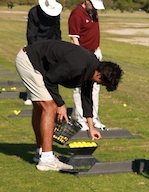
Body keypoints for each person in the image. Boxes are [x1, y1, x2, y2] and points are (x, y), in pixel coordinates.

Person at [15, 40, 123, 172]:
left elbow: (86, 97)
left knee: (41, 106)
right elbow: (50, 79)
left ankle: (41, 152)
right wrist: (60, 104)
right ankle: (46, 159)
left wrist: (91, 127)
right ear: (99, 75)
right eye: (101, 83)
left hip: (36, 62)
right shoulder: (78, 64)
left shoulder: (91, 67)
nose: (99, 85)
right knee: (50, 106)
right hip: (29, 61)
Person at [67, 0, 107, 129]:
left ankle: (93, 117)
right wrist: (80, 57)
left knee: (95, 87)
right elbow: (74, 38)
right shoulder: (77, 14)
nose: (95, 8)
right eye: (93, 5)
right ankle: (80, 118)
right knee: (79, 87)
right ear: (87, 0)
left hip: (95, 53)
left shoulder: (93, 12)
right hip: (82, 55)